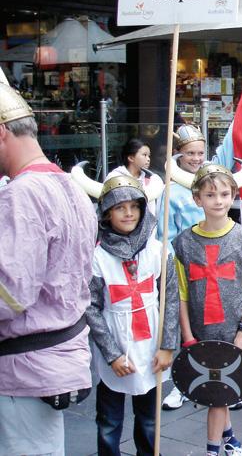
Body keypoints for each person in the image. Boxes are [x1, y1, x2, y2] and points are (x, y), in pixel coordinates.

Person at [0, 82, 97, 455]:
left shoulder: (21, 194)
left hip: (25, 369)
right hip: (52, 361)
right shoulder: (69, 185)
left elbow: (10, 294)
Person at [173, 164, 242, 456]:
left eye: (225, 194)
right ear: (197, 199)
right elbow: (181, 295)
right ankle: (230, 442)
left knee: (218, 395)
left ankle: (213, 451)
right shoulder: (183, 243)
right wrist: (187, 336)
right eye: (210, 194)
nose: (218, 200)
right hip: (199, 333)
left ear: (233, 196)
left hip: (232, 332)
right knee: (218, 393)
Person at [82, 175, 179, 456]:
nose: (128, 213)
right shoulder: (98, 257)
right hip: (116, 342)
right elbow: (90, 307)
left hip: (151, 345)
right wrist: (112, 355)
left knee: (149, 421)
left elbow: (170, 300)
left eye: (134, 206)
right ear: (107, 213)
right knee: (109, 422)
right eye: (120, 207)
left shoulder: (158, 251)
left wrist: (167, 346)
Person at [157, 124, 206, 410]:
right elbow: (163, 237)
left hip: (215, 266)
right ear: (179, 154)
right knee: (183, 328)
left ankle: (221, 383)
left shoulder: (211, 180)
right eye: (190, 153)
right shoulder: (170, 191)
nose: (196, 158)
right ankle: (182, 385)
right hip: (184, 270)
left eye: (200, 153)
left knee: (215, 327)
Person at [107, 138, 164, 216]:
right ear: (131, 158)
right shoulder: (114, 178)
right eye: (144, 155)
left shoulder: (151, 181)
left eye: (149, 156)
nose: (148, 159)